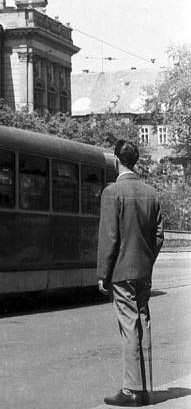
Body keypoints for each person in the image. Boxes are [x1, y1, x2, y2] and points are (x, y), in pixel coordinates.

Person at [97, 139, 164, 407]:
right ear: (135, 161)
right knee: (143, 323)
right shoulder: (151, 193)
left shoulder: (112, 192)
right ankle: (145, 388)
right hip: (142, 272)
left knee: (128, 327)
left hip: (121, 273)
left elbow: (109, 237)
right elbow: (159, 235)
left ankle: (131, 390)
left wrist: (103, 272)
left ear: (116, 160)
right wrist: (147, 260)